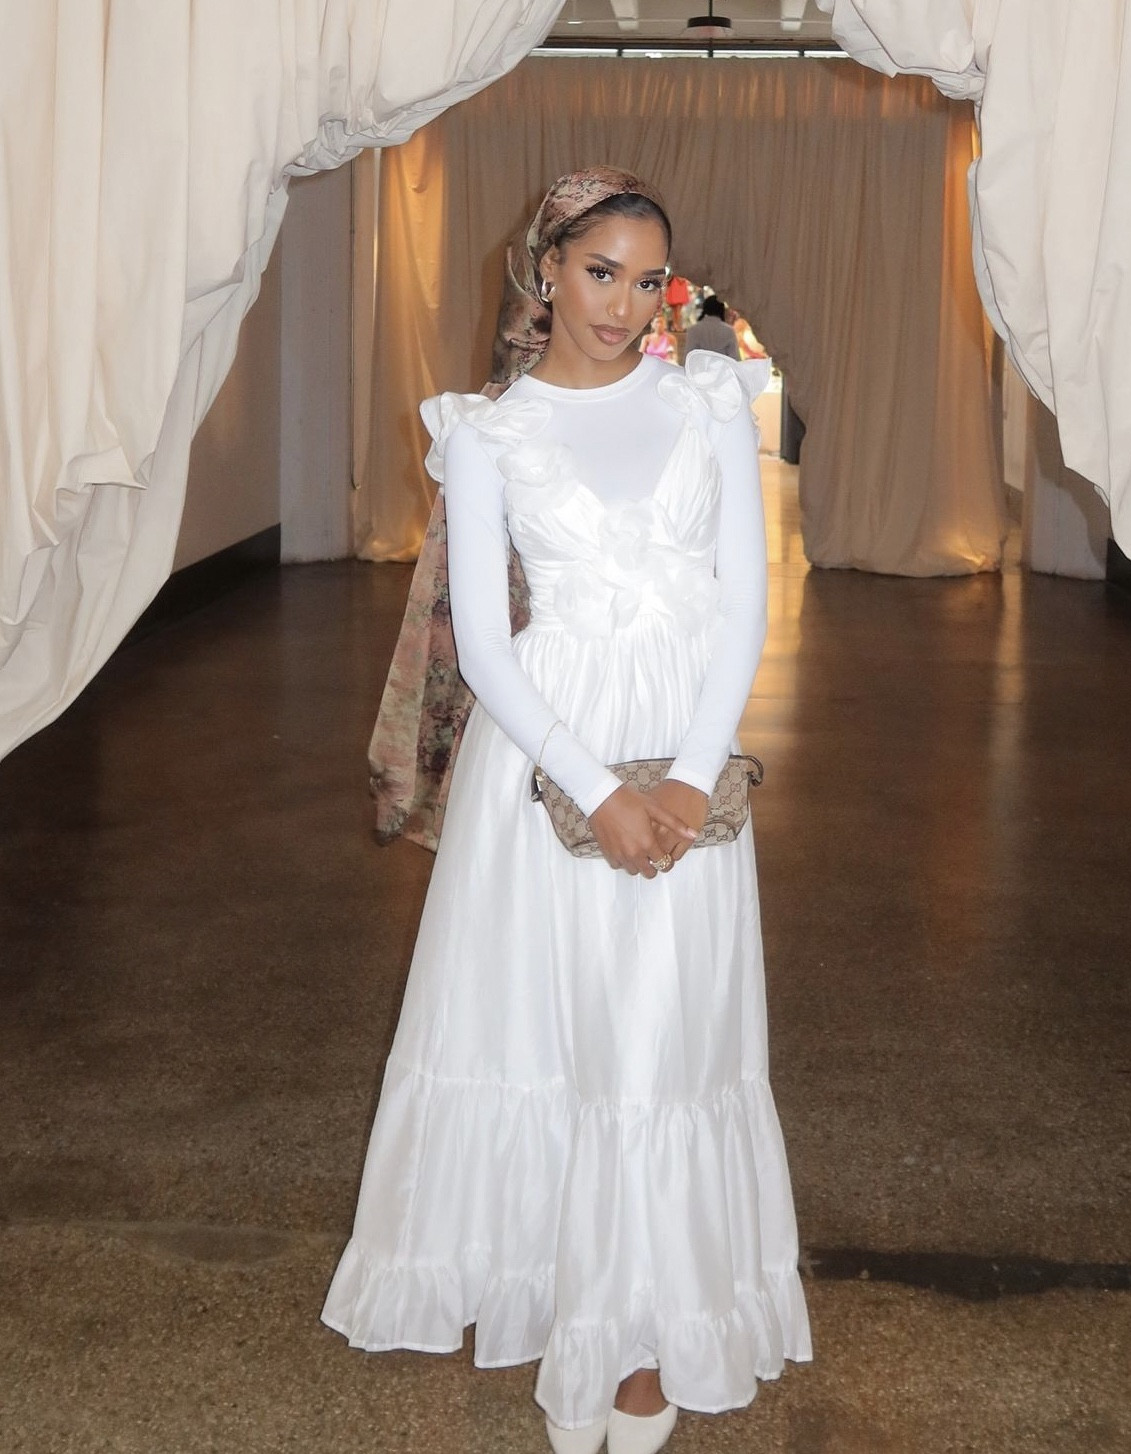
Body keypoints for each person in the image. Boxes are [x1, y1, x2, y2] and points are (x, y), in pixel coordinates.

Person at [322, 166, 811, 1454]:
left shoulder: (707, 399)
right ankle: (570, 1305)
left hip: (685, 751)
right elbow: (487, 645)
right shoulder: (488, 433)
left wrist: (690, 776)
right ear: (545, 268)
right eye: (601, 272)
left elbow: (744, 602)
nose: (624, 303)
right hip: (545, 763)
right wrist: (596, 791)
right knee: (556, 1039)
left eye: (649, 280)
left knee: (661, 1042)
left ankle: (641, 1347)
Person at [683, 293, 740, 359]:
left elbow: (688, 357)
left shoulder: (693, 330)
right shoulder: (729, 331)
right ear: (722, 310)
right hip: (722, 365)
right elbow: (735, 358)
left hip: (700, 365)